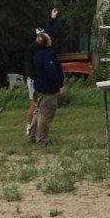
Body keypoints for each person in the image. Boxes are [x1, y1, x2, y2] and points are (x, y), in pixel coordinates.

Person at [25, 7, 59, 138]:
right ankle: (30, 127)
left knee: (38, 106)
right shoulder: (33, 48)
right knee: (35, 105)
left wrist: (52, 19)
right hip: (34, 79)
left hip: (38, 78)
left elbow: (47, 33)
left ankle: (33, 130)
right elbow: (46, 34)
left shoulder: (37, 46)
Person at [30, 31, 65, 145]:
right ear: (47, 42)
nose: (51, 39)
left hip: (39, 86)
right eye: (49, 38)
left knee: (38, 112)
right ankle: (42, 139)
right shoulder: (47, 55)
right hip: (48, 89)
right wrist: (59, 85)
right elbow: (52, 72)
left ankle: (33, 136)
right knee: (45, 113)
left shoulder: (37, 53)